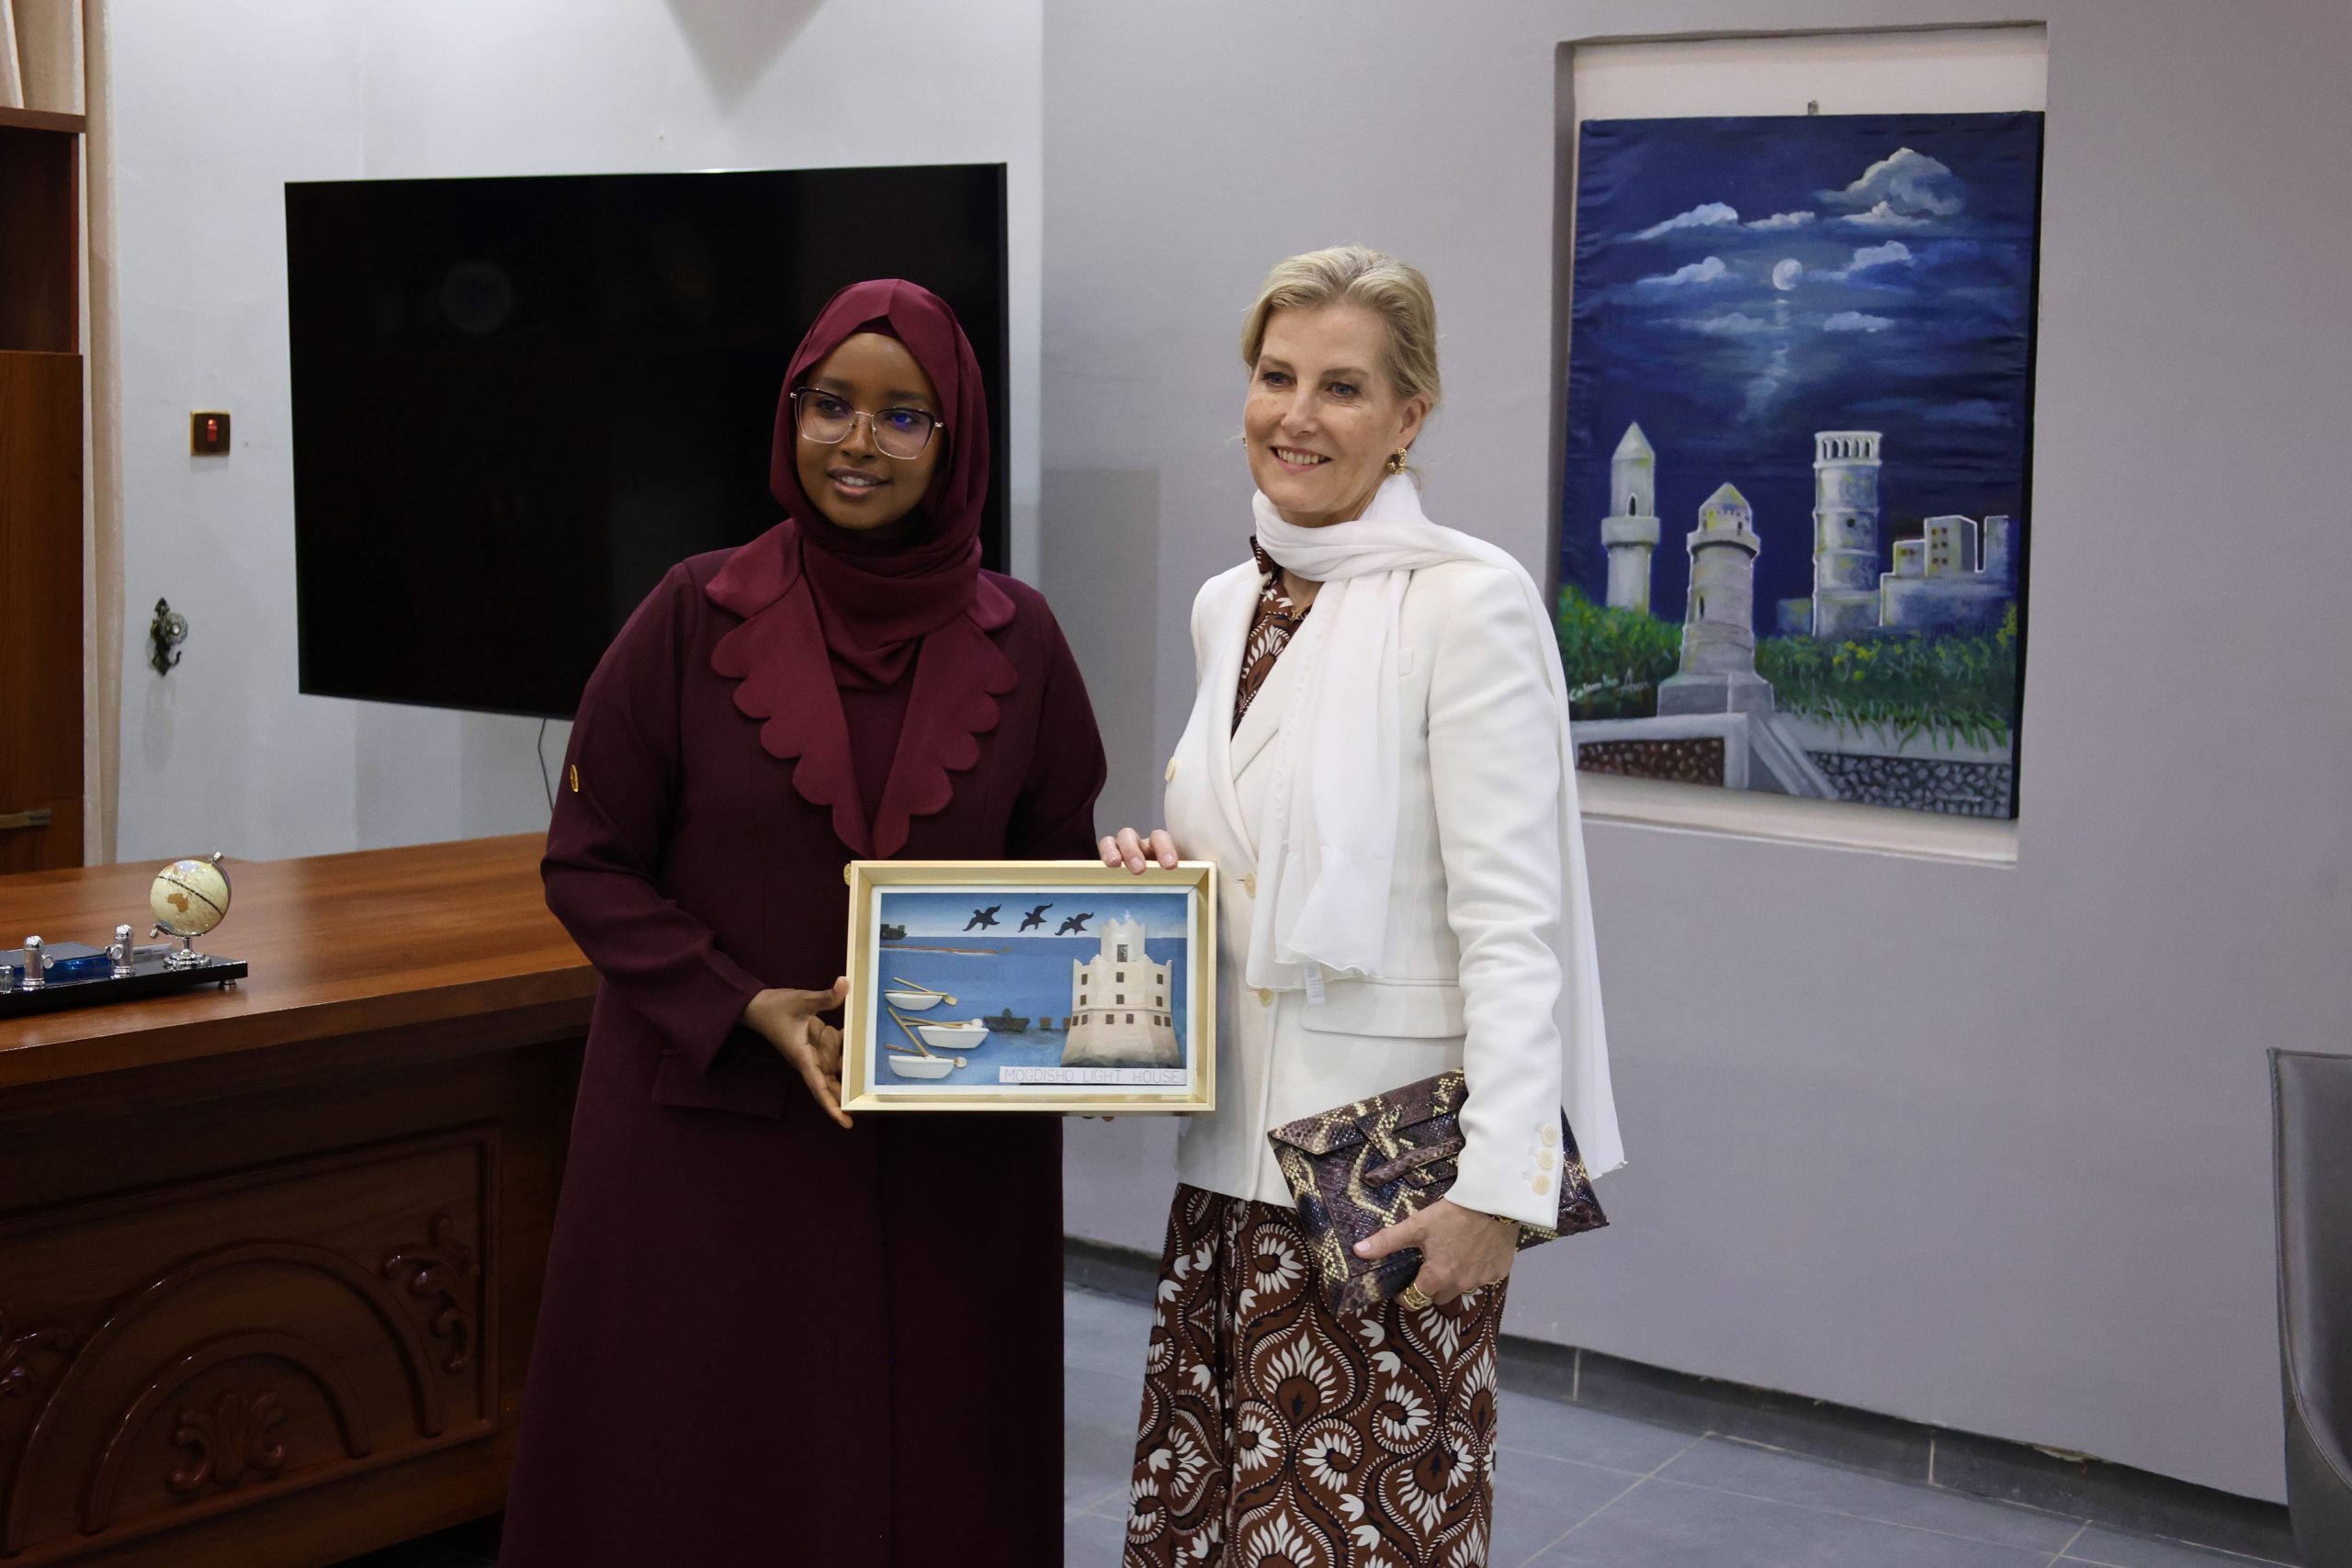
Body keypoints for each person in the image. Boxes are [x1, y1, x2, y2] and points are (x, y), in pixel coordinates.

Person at [501, 279, 1107, 1568]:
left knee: (938, 1470)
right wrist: (743, 1006)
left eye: (903, 416)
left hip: (947, 1165)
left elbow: (1057, 884)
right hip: (714, 1138)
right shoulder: (691, 612)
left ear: (955, 441)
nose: (858, 443)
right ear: (791, 416)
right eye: (830, 405)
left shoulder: (1025, 643)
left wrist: (1104, 1002)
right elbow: (589, 861)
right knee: (702, 1467)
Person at [1101, 246, 1623, 1567]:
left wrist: (1498, 1192)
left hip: (1381, 1191)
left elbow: (1515, 923)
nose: (1297, 415)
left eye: (1342, 387)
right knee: (1216, 1531)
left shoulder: (1470, 603)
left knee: (1358, 1538)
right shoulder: (1229, 603)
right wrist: (1167, 876)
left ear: (1408, 417)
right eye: (1275, 376)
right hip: (1228, 1172)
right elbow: (1259, 853)